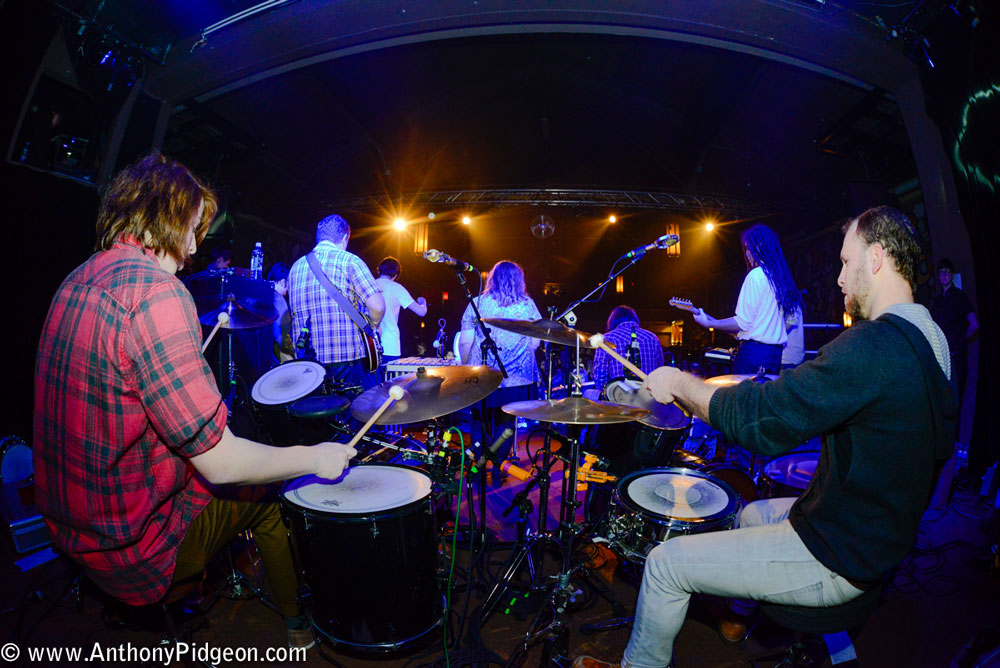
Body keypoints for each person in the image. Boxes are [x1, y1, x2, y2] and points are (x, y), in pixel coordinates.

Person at [573, 206, 957, 668]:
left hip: (840, 553)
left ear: (875, 258)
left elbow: (764, 424)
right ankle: (737, 620)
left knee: (664, 564)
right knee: (751, 513)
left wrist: (678, 382)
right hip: (874, 532)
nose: (838, 278)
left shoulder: (873, 346)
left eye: (845, 261)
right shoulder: (931, 339)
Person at [33, 152, 357, 650]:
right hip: (128, 545)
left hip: (70, 525)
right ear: (171, 215)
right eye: (192, 228)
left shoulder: (75, 280)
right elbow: (222, 463)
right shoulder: (158, 293)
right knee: (266, 495)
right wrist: (315, 458)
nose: (193, 248)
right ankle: (297, 629)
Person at [459, 261, 541, 472]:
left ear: (491, 279)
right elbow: (536, 342)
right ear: (519, 281)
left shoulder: (477, 303)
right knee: (507, 423)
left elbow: (465, 342)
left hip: (483, 373)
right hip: (518, 376)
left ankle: (477, 466)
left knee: (479, 420)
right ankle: (497, 466)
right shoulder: (527, 305)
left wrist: (465, 370)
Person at [288, 215, 385, 393]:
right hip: (345, 357)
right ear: (345, 238)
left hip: (307, 362)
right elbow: (377, 306)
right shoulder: (349, 260)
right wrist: (374, 326)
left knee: (318, 417)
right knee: (350, 416)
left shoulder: (295, 268)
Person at [692, 223, 802, 375]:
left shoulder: (756, 275)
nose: (747, 255)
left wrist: (710, 323)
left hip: (754, 354)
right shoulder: (780, 278)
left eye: (747, 248)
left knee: (743, 397)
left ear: (757, 248)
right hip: (775, 356)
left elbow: (743, 322)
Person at [591, 305, 665, 392]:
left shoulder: (606, 339)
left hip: (619, 399)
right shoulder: (652, 337)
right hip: (649, 399)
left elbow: (600, 377)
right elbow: (660, 371)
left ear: (613, 321)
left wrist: (607, 394)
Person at [374, 256, 427, 365]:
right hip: (389, 345)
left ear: (379, 270)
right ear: (395, 275)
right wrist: (423, 303)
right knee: (389, 381)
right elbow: (421, 312)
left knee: (371, 381)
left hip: (368, 346)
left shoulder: (369, 284)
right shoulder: (396, 288)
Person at [268, 262, 294, 365]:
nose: (288, 290)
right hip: (276, 358)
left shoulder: (260, 291)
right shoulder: (279, 300)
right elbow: (280, 337)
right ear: (283, 281)